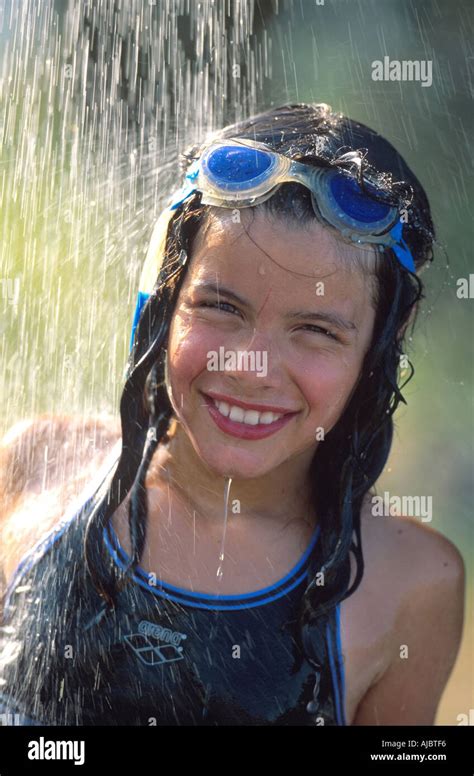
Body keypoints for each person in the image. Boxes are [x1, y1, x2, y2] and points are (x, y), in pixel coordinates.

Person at [0, 102, 465, 726]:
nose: (250, 367)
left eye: (316, 331)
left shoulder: (411, 583)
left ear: (380, 347)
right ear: (166, 296)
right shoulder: (34, 469)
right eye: (221, 306)